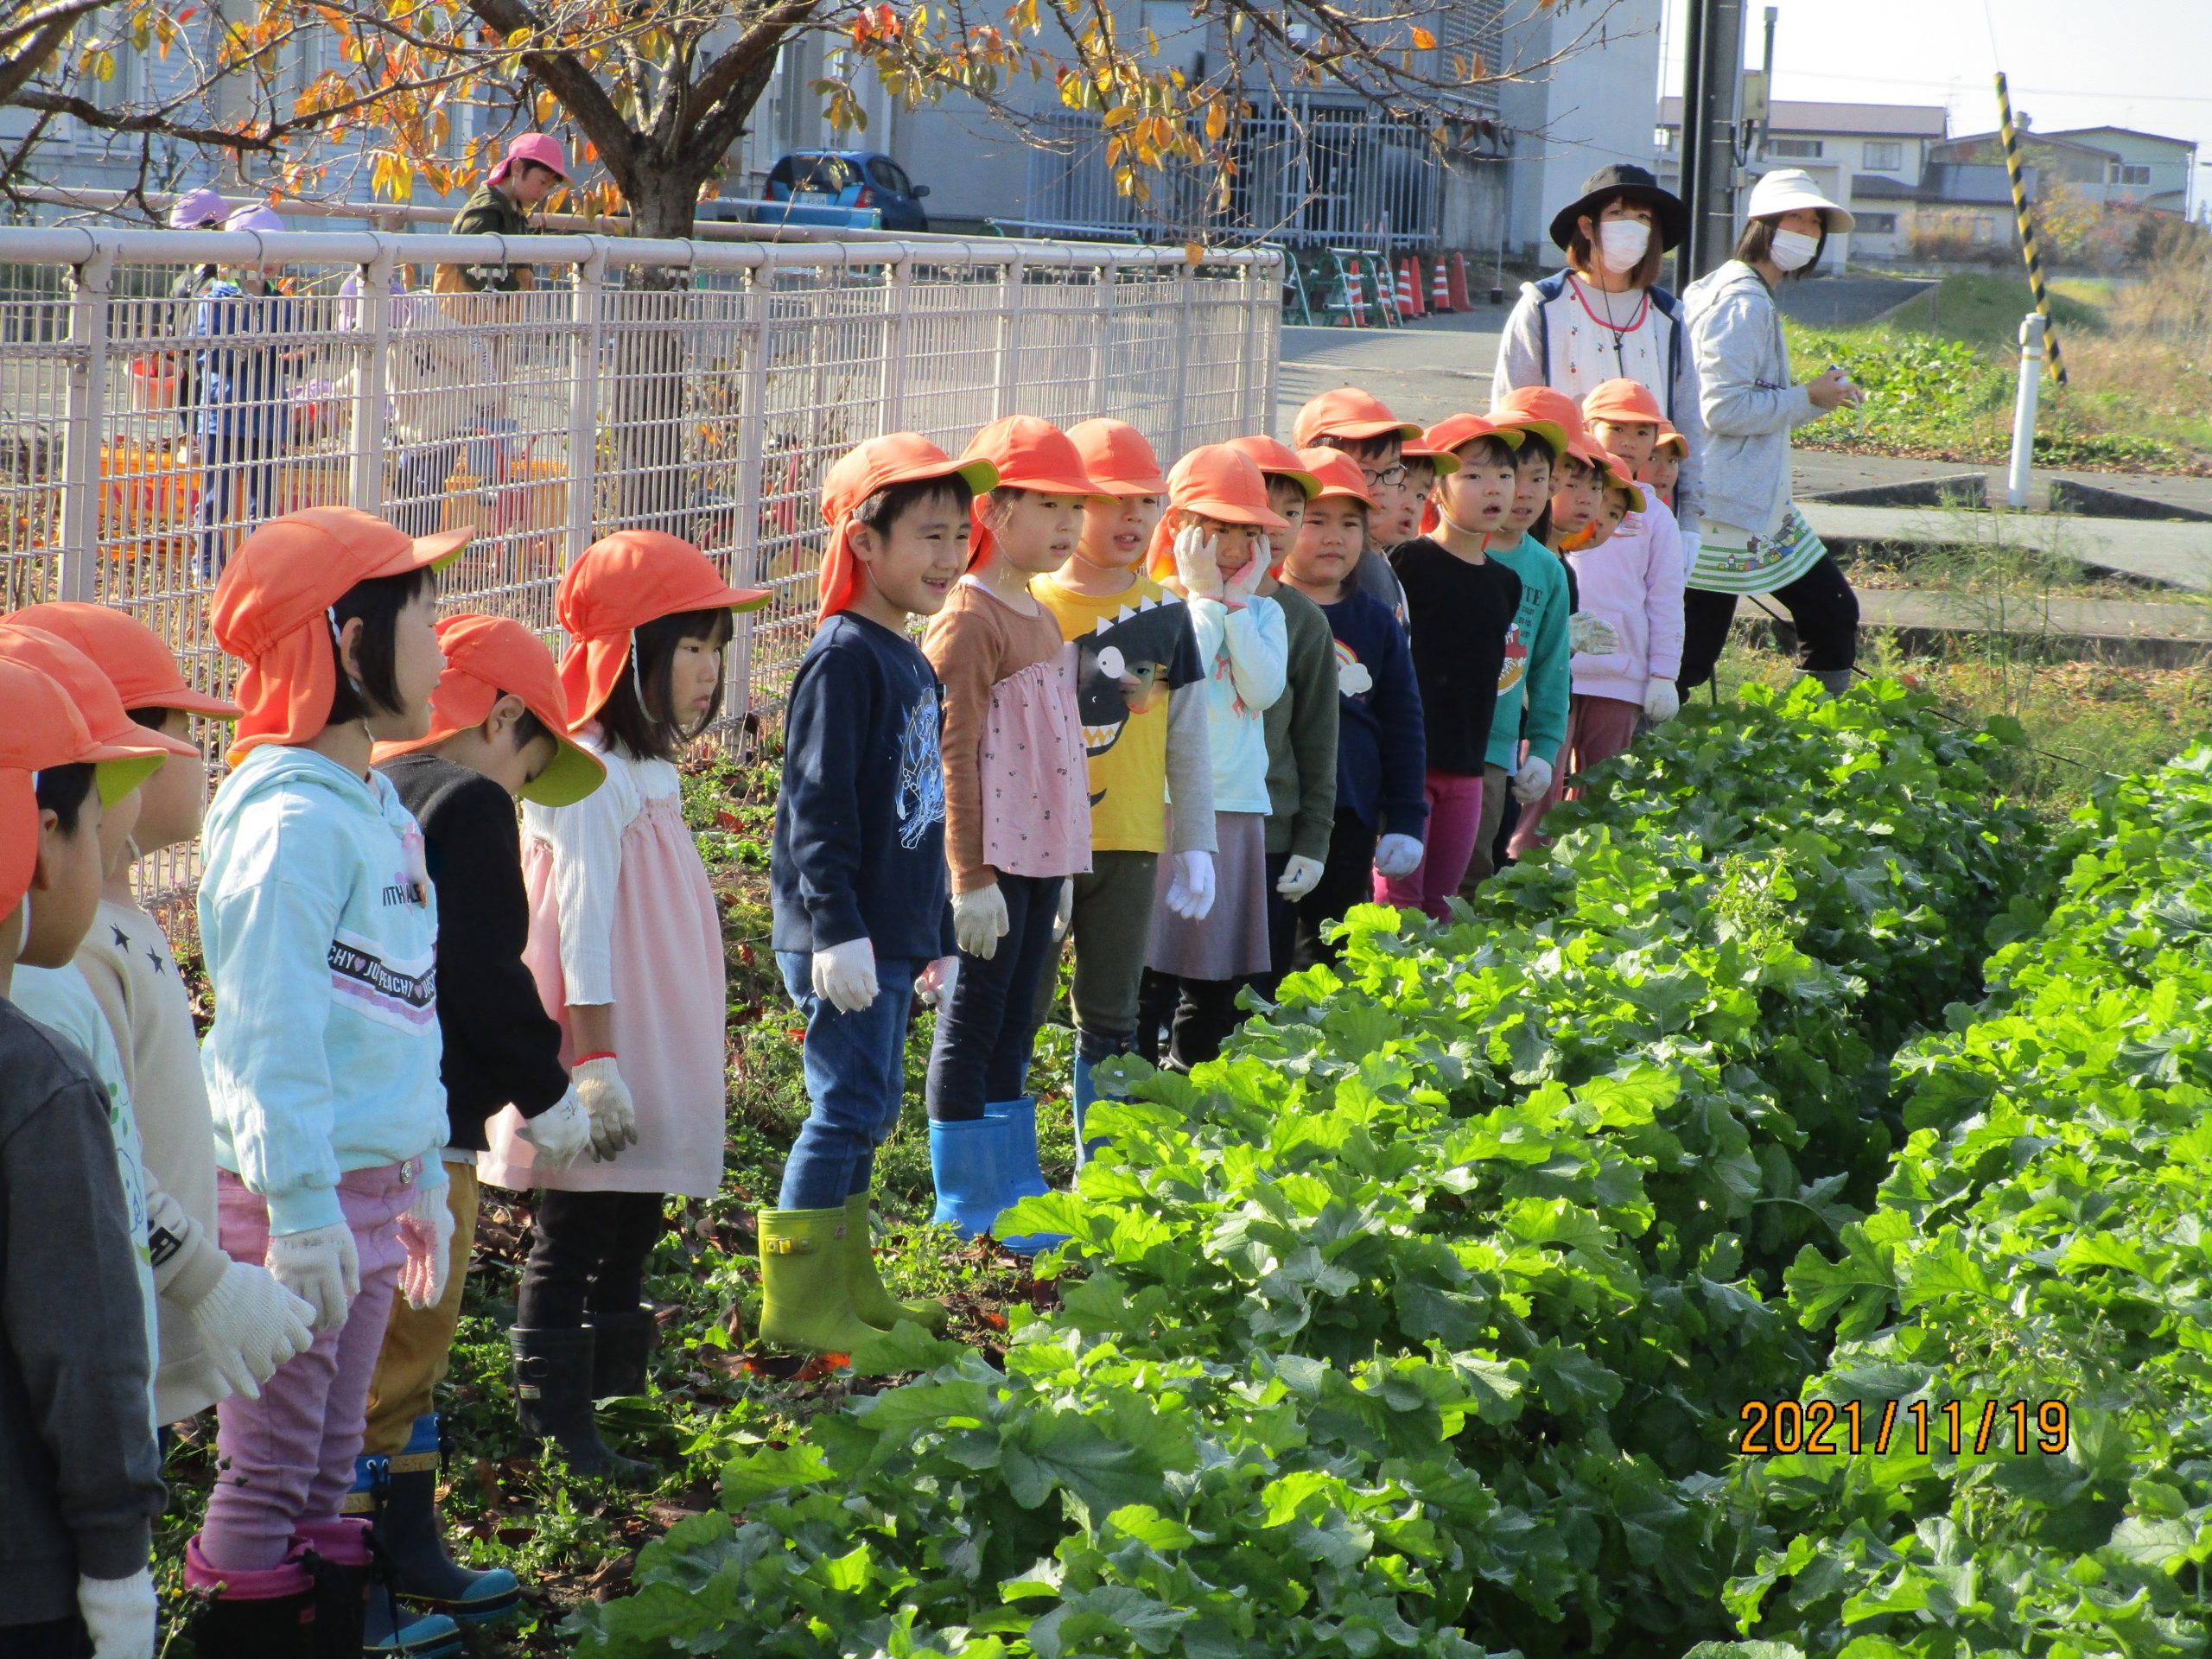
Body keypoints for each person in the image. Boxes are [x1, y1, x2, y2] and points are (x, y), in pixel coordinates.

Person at [187, 505, 467, 1656]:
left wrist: (427, 1182)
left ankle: (323, 1624)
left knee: (328, 1451)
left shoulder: (373, 805)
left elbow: (403, 1012)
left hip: (370, 1194)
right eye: (423, 619)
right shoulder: (289, 822)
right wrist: (298, 1215)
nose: (443, 648)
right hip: (296, 1209)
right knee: (269, 1469)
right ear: (348, 644)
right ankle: (249, 1627)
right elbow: (270, 1037)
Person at [479, 532, 766, 1457]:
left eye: (716, 649)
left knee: (634, 1214)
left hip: (653, 1030)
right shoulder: (585, 771)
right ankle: (554, 1424)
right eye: (689, 648)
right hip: (604, 1040)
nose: (708, 671)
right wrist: (593, 1063)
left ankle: (613, 1405)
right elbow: (580, 922)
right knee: (575, 1222)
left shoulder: (649, 767)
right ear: (629, 654)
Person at [352, 613, 607, 1626]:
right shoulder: (466, 807)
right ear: (503, 718)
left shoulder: (369, 791)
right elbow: (482, 974)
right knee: (403, 1347)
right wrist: (546, 1089)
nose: (527, 795)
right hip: (429, 1132)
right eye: (533, 764)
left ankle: (382, 1556)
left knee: (355, 1347)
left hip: (349, 1124)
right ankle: (377, 1563)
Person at [10, 606, 317, 1433]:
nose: (196, 755)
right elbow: (103, 1153)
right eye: (179, 729)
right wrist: (205, 1279)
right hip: (100, 1330)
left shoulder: (112, 920)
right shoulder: (64, 955)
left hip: (141, 1315)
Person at [766, 435, 984, 1353]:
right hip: (841, 934)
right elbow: (817, 802)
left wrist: (930, 929)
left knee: (872, 1106)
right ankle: (798, 1307)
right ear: (862, 542)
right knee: (845, 1104)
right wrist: (838, 929)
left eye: (959, 536)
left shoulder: (907, 655)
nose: (950, 556)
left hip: (886, 932)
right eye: (930, 536)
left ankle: (849, 1288)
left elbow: (917, 808)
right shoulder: (842, 656)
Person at [0, 657, 169, 1659]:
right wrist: (118, 1563)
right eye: (90, 823)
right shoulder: (37, 1084)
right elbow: (88, 1347)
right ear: (36, 838)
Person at [919, 417, 1091, 1243]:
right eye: (1051, 506)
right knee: (975, 1016)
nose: (1070, 526)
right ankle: (964, 1199)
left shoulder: (1041, 613)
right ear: (994, 511)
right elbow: (954, 756)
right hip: (991, 863)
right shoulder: (969, 619)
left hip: (1038, 858)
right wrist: (968, 876)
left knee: (1020, 1013)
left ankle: (1011, 1183)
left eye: (1075, 509)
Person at [1036, 420, 1215, 1148]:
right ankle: (1003, 1162)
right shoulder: (1031, 604)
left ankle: (1099, 1163)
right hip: (1036, 849)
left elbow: (1189, 738)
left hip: (1131, 843)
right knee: (1015, 1010)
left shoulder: (1168, 615)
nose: (1132, 518)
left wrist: (1196, 842)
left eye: (1147, 501)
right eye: (1112, 500)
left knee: (1110, 1017)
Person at [1680, 169, 1866, 699]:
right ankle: (1631, 760)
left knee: (1829, 612)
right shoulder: (1743, 302)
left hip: (1748, 503)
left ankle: (1807, 742)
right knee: (1690, 658)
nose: (1806, 231)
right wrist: (1809, 396)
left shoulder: (1727, 288)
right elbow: (1721, 407)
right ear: (1761, 223)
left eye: (1815, 223)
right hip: (1724, 506)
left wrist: (1812, 398)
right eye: (1795, 218)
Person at [1138, 446, 1287, 1070]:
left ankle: (1189, 1079)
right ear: (1179, 528)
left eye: (1247, 530)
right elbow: (1173, 682)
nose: (1232, 544)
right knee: (1148, 965)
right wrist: (1201, 602)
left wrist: (1234, 609)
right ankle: (1131, 1079)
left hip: (1236, 806)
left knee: (1213, 970)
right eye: (1217, 527)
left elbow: (1262, 689)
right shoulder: (1154, 604)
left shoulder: (1266, 611)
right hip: (1165, 806)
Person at [1490, 162, 1705, 529]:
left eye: (1643, 217)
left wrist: (1688, 521)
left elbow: (1687, 420)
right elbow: (1511, 411)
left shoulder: (1668, 316)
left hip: (1646, 510)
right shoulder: (1544, 305)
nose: (1631, 226)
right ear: (1587, 226)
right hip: (1558, 510)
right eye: (1617, 213)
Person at [1275, 448, 1425, 969]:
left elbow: (1405, 722)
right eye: (1315, 521)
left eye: (1350, 523)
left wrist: (1407, 816)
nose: (1334, 537)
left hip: (1351, 808)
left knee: (1329, 944)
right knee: (1267, 946)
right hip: (1275, 811)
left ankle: (1317, 1042)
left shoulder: (1377, 620)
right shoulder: (1261, 611)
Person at [1418, 409, 1572, 895]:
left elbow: (1551, 667)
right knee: (1403, 872)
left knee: (1470, 870)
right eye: (1504, 475)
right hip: (1423, 741)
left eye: (1531, 477)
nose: (1516, 491)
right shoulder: (1424, 559)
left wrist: (1544, 750)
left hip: (1492, 746)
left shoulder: (1545, 571)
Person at [1376, 419, 1524, 921]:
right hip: (1408, 767)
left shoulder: (1506, 583)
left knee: (1444, 905)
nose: (1495, 490)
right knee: (1396, 903)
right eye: (1475, 476)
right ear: (1436, 491)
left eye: (1505, 477)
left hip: (1468, 766)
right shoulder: (1407, 564)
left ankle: (1425, 1000)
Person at [1225, 436, 1338, 1005]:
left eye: (1290, 513)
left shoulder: (1303, 620)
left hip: (1271, 833)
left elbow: (1318, 740)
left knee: (1252, 991)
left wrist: (1314, 840)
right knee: (1167, 985)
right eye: (1258, 507)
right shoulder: (1180, 605)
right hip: (1183, 829)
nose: (1272, 525)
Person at [1509, 447, 1652, 856]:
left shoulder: (1561, 567)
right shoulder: (1518, 556)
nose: (1589, 503)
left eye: (1599, 495)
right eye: (1573, 485)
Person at [190, 204, 297, 580]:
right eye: (259, 254)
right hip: (224, 416)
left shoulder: (280, 302)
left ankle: (257, 570)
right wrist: (244, 347)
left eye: (275, 255)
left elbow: (289, 356)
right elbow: (208, 358)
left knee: (263, 503)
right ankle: (206, 565)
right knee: (214, 498)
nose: (269, 263)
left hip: (266, 418)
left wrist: (295, 357)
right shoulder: (217, 300)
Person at [1576, 378, 1688, 732]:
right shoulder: (1560, 499)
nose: (1628, 441)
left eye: (1642, 432)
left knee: (1606, 781)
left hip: (1621, 678)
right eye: (1616, 428)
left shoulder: (1655, 516)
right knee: (1543, 778)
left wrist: (1663, 674)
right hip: (1555, 669)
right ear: (1586, 428)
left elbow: (1666, 600)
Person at [1290, 388, 1424, 622]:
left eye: (1391, 470)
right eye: (1362, 471)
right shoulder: (1326, 572)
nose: (1380, 488)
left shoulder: (1375, 557)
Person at [438, 133, 567, 295]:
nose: (544, 193)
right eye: (542, 182)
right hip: (467, 309)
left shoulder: (514, 208)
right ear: (517, 168)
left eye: (550, 187)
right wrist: (513, 287)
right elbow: (470, 260)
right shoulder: (488, 207)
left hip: (489, 309)